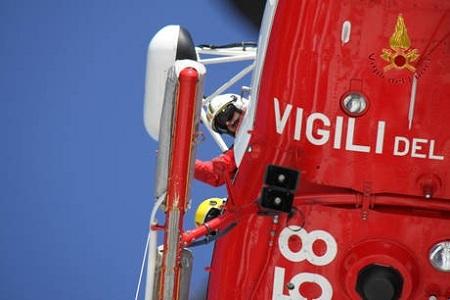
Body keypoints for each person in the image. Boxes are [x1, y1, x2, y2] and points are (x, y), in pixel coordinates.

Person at [194, 93, 246, 187]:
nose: (228, 123)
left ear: (238, 105)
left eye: (226, 115)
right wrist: (183, 161)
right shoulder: (240, 150)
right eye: (221, 125)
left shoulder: (268, 104)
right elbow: (215, 173)